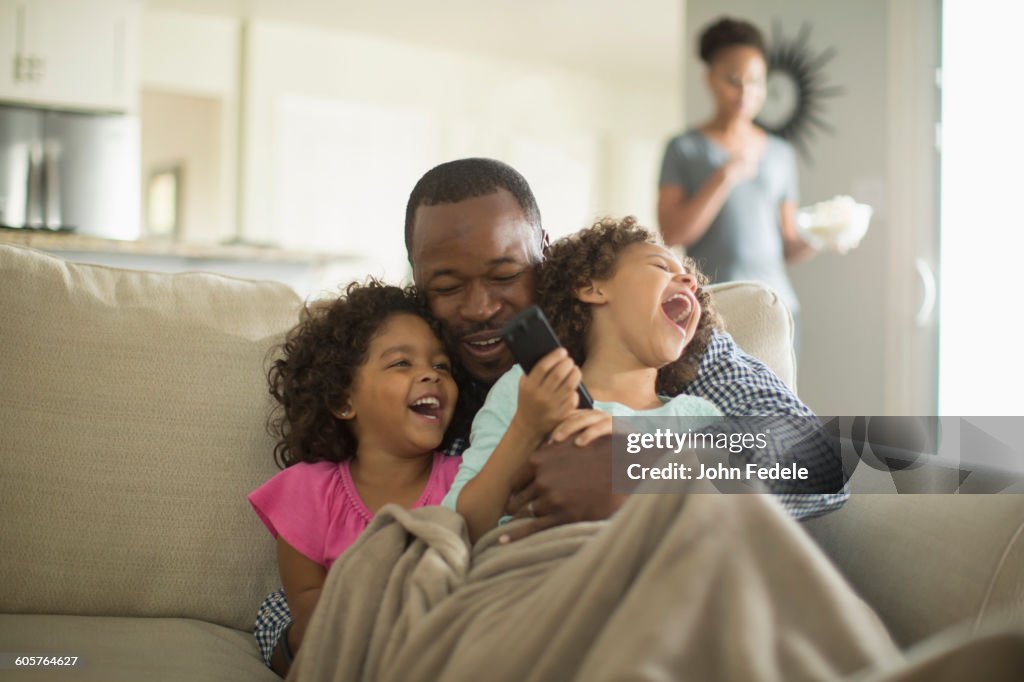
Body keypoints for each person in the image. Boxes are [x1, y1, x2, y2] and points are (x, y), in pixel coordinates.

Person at [256, 157, 846, 675]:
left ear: (547, 254)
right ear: (418, 281)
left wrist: (639, 467)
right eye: (448, 286)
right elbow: (332, 572)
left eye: (506, 275)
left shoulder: (675, 355)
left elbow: (812, 455)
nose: (481, 307)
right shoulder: (417, 378)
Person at [445, 217, 725, 541]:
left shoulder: (695, 417)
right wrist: (526, 427)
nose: (689, 281)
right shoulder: (531, 387)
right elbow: (459, 526)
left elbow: (736, 522)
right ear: (593, 287)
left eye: (690, 281)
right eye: (661, 266)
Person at [248, 280, 464, 674]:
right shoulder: (309, 490)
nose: (431, 375)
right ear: (343, 400)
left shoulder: (464, 479)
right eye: (402, 363)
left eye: (441, 366)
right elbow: (312, 609)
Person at [657, 17, 819, 351]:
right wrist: (724, 177)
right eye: (733, 79)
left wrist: (821, 237)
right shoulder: (684, 148)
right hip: (712, 309)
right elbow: (673, 234)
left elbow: (788, 244)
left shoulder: (780, 153)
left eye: (756, 82)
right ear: (710, 80)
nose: (746, 92)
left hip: (778, 308)